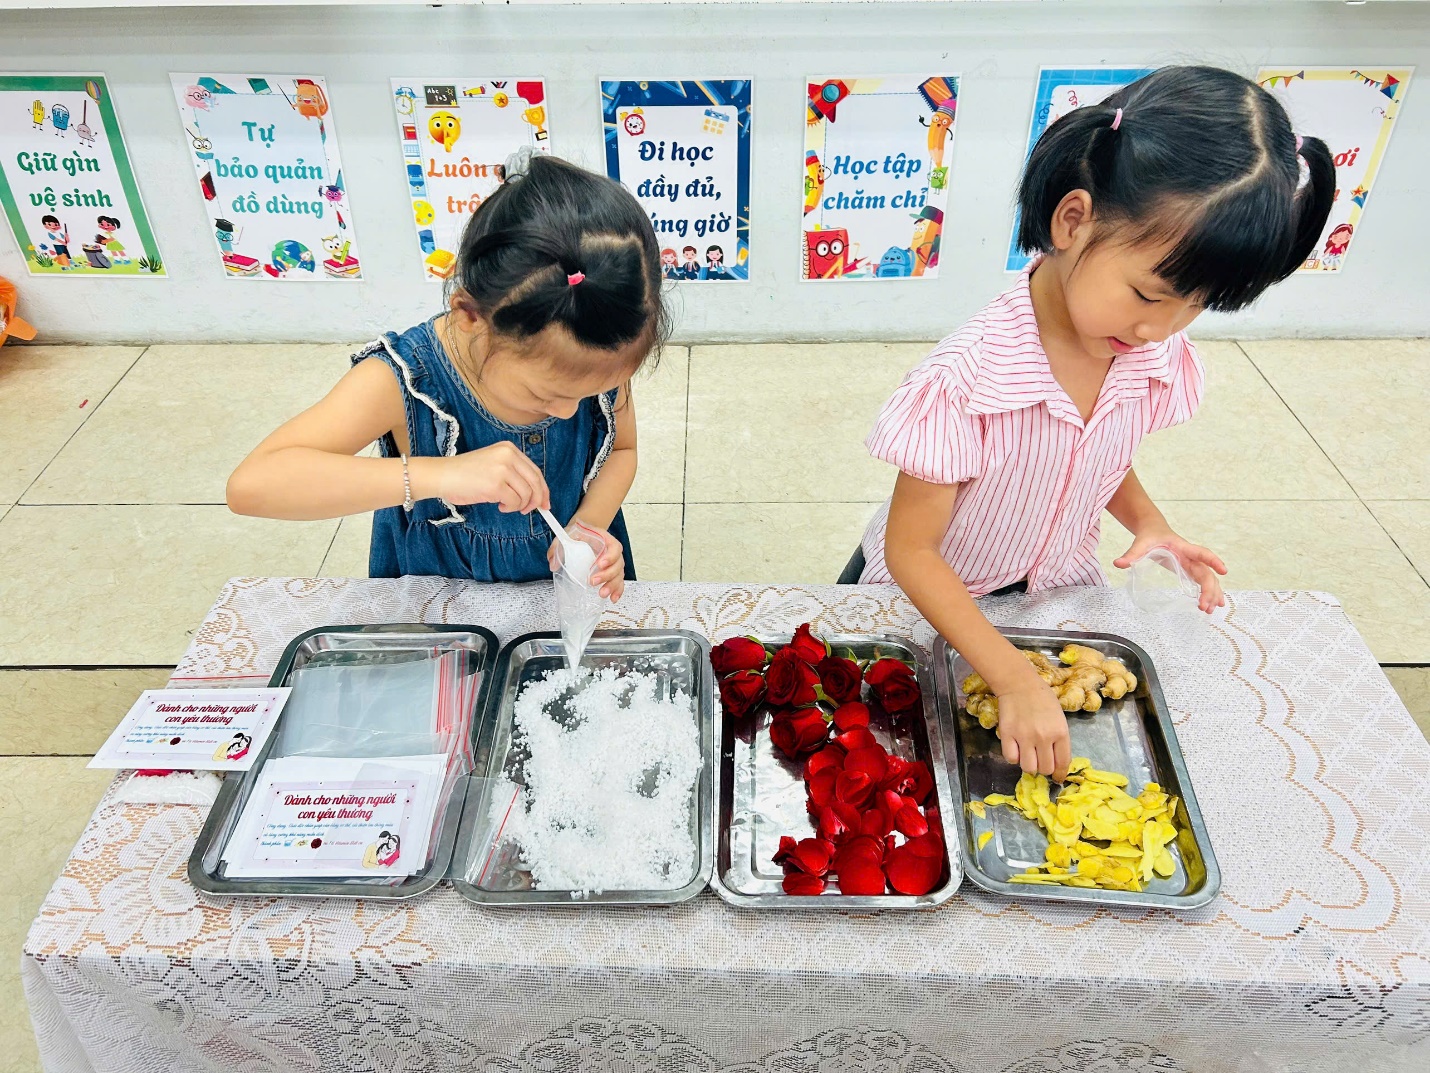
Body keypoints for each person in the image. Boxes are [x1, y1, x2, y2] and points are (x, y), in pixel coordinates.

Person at [849, 66, 1334, 780]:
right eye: (1148, 292)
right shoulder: (968, 378)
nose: (1158, 327)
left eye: (1194, 306)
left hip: (1047, 602)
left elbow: (1096, 452)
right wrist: (1009, 676)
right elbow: (913, 550)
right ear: (1072, 220)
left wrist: (1149, 521)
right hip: (931, 607)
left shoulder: (1143, 350)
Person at [227, 151, 669, 597]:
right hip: (440, 600)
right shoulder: (403, 379)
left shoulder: (595, 349)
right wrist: (440, 476)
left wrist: (589, 528)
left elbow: (622, 449)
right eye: (544, 393)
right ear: (471, 316)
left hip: (564, 597)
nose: (569, 410)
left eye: (599, 390)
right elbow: (253, 485)